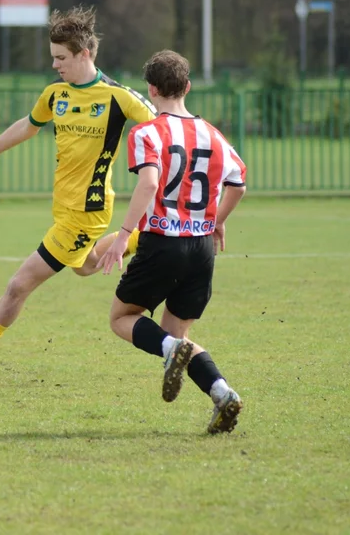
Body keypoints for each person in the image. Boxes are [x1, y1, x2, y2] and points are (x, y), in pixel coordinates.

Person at [0, 6, 155, 384]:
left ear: (84, 54)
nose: (55, 65)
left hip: (85, 214)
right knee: (86, 265)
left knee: (17, 286)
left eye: (61, 58)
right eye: (53, 57)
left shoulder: (119, 98)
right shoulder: (55, 94)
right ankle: (145, 234)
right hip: (66, 211)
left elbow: (164, 125)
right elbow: (27, 125)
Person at [96, 49, 246, 434]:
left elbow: (148, 183)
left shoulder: (146, 132)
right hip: (201, 250)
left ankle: (174, 355)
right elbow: (239, 182)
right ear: (188, 87)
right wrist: (216, 221)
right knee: (175, 337)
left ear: (151, 89)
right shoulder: (212, 134)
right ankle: (222, 392)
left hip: (163, 242)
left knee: (121, 318)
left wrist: (124, 235)